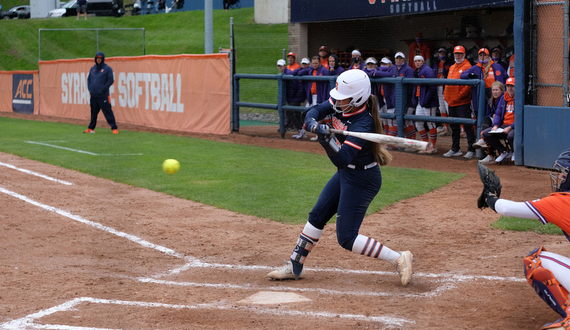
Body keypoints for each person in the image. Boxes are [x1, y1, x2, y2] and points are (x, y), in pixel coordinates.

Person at [266, 70, 414, 287]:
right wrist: (315, 125)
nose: (336, 101)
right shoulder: (339, 104)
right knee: (317, 215)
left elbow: (342, 158)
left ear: (357, 99)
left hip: (363, 179)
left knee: (346, 238)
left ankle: (399, 257)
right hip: (348, 173)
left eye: (342, 98)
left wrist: (326, 141)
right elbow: (312, 112)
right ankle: (295, 265)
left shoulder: (363, 124)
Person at [479, 148, 570, 330]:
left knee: (534, 260)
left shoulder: (562, 202)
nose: (560, 177)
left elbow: (506, 209)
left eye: (565, 173)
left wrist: (490, 197)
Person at [374, 52, 416, 141]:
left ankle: (408, 142)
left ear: (404, 59)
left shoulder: (408, 69)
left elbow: (411, 86)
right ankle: (408, 142)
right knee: (402, 122)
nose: (399, 60)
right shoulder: (393, 68)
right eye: (397, 58)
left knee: (404, 121)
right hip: (395, 99)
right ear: (395, 59)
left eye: (401, 58)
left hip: (406, 100)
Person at [443, 45, 475, 158]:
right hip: (451, 102)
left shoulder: (468, 66)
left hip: (462, 102)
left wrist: (459, 96)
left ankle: (471, 149)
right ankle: (455, 148)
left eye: (460, 53)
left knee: (467, 126)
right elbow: (448, 83)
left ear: (464, 54)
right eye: (456, 53)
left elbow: (468, 85)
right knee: (454, 127)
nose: (458, 55)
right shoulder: (452, 67)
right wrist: (446, 96)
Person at [460, 48, 507, 116]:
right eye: (480, 55)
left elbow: (506, 78)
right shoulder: (475, 68)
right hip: (481, 94)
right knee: (482, 114)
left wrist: (505, 91)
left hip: (495, 93)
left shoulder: (497, 66)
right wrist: (470, 75)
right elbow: (462, 75)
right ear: (478, 56)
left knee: (497, 112)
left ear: (488, 56)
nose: (482, 57)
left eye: (484, 55)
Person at [482, 77, 515, 163]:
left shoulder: (519, 99)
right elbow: (498, 114)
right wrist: (495, 125)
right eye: (508, 86)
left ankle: (514, 151)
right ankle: (504, 151)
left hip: (514, 127)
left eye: (512, 86)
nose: (510, 88)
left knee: (511, 136)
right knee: (486, 133)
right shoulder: (504, 98)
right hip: (503, 126)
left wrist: (510, 127)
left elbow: (520, 117)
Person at [84, 52, 118, 134]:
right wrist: (90, 89)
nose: (98, 60)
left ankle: (114, 128)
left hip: (103, 96)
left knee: (108, 112)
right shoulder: (92, 69)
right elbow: (89, 80)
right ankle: (91, 128)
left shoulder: (107, 69)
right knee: (93, 113)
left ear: (103, 59)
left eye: (100, 58)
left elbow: (110, 80)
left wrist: (103, 89)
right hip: (94, 95)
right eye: (97, 58)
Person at [412, 55, 439, 154]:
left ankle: (433, 146)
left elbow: (432, 87)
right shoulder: (417, 71)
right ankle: (426, 145)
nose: (417, 63)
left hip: (429, 101)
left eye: (419, 61)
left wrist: (426, 100)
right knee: (418, 123)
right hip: (420, 100)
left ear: (423, 61)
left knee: (431, 123)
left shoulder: (428, 70)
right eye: (416, 61)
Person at [475, 81, 505, 165]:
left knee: (486, 130)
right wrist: (493, 115)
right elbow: (488, 114)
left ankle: (482, 140)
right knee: (486, 121)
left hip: (502, 123)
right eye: (493, 90)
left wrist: (498, 116)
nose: (495, 92)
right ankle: (488, 151)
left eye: (497, 90)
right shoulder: (490, 101)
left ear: (502, 90)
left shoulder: (504, 99)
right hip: (493, 123)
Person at [277, 59, 305, 139]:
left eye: (281, 66)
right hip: (294, 96)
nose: (280, 67)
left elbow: (293, 87)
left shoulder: (288, 73)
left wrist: (290, 98)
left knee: (290, 112)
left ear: (284, 66)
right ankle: (300, 130)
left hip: (296, 95)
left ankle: (298, 129)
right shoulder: (286, 73)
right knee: (295, 113)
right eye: (279, 66)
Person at [432, 47, 454, 136]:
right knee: (442, 108)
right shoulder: (435, 64)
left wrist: (445, 78)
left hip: (447, 88)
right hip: (438, 88)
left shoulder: (449, 63)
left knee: (449, 108)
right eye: (440, 53)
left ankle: (455, 128)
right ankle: (445, 128)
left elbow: (453, 75)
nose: (441, 55)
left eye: (443, 53)